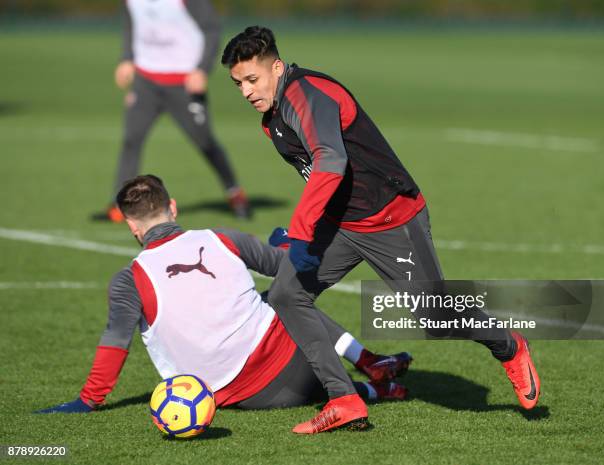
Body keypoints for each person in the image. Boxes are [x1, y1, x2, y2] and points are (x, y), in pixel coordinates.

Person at [220, 26, 541, 433]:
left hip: (392, 219)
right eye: (238, 84)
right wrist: (309, 229)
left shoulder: (307, 93)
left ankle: (508, 345)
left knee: (435, 317)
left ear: (277, 68)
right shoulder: (273, 118)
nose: (247, 91)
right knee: (286, 293)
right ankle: (344, 400)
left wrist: (302, 230)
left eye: (253, 79)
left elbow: (331, 160)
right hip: (342, 225)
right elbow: (318, 177)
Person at [38, 175, 411, 422]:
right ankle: (369, 366)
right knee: (282, 297)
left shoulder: (129, 280)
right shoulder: (222, 238)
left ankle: (374, 384)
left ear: (132, 227)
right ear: (173, 207)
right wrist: (284, 242)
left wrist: (88, 401)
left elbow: (114, 343)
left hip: (234, 398)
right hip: (299, 371)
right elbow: (289, 268)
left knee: (277, 299)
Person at [101, 0, 250, 222]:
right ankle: (120, 205)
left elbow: (211, 29)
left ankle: (235, 193)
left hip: (184, 82)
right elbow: (132, 25)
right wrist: (127, 58)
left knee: (205, 142)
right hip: (146, 81)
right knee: (132, 139)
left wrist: (202, 69)